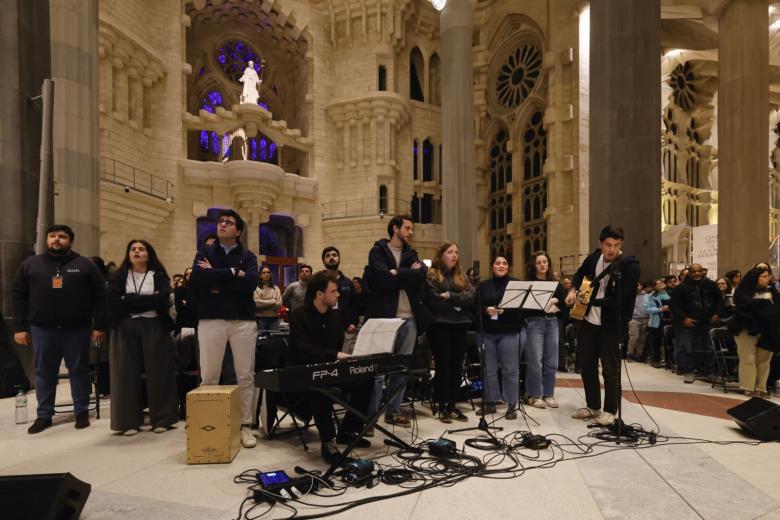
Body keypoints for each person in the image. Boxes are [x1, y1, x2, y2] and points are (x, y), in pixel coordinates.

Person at [11, 224, 106, 434]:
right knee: (44, 372)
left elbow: (101, 296)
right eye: (52, 236)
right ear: (46, 240)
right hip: (42, 329)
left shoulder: (85, 265)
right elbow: (18, 295)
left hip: (77, 329)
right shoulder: (30, 265)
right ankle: (44, 415)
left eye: (62, 237)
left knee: (79, 370)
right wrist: (19, 327)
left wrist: (100, 325)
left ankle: (81, 412)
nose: (56, 240)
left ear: (70, 241)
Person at [190, 209, 259, 448]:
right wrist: (232, 273)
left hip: (243, 320)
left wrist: (216, 278)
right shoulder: (205, 251)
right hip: (211, 319)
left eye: (229, 222)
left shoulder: (248, 256)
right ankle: (209, 424)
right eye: (220, 221)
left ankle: (246, 426)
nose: (223, 224)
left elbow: (250, 284)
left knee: (245, 375)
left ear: (238, 231)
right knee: (210, 374)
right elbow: (199, 279)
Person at [287, 271, 372, 464]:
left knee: (366, 379)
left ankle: (348, 430)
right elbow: (302, 350)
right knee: (321, 387)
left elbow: (336, 347)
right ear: (319, 294)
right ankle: (328, 442)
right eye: (333, 291)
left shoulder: (335, 316)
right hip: (301, 371)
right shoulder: (298, 315)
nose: (338, 295)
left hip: (329, 368)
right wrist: (333, 356)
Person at [566, 225, 640, 426]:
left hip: (612, 324)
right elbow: (580, 274)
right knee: (587, 365)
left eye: (616, 245)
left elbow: (619, 300)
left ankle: (610, 410)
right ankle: (593, 406)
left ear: (621, 244)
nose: (611, 250)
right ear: (601, 243)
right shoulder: (593, 258)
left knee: (610, 368)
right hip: (589, 321)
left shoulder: (629, 266)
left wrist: (589, 301)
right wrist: (573, 290)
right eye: (608, 245)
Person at [107, 240, 178, 435]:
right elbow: (113, 301)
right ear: (128, 254)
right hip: (125, 326)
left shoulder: (159, 275)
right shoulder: (119, 275)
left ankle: (162, 419)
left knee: (159, 372)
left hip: (154, 325)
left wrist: (128, 299)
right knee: (124, 373)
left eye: (141, 249)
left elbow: (162, 298)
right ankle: (127, 422)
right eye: (133, 249)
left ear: (149, 254)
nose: (137, 252)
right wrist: (147, 300)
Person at [364, 214, 428, 428]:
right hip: (385, 318)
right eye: (408, 228)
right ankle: (370, 417)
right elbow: (381, 280)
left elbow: (422, 277)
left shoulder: (411, 252)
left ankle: (393, 411)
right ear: (395, 228)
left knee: (401, 368)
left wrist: (398, 273)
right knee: (379, 371)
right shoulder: (377, 252)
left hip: (409, 318)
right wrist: (408, 274)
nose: (411, 232)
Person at [425, 241, 475, 423]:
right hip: (440, 325)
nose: (454, 255)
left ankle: (452, 405)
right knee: (443, 366)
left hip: (460, 324)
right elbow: (434, 300)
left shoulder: (461, 275)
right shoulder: (432, 274)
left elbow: (471, 296)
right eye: (450, 252)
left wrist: (452, 297)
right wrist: (457, 302)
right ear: (441, 254)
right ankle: (441, 406)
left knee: (456, 366)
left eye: (456, 252)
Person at [476, 255, 522, 418]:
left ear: (508, 266)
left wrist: (506, 311)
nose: (501, 266)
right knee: (489, 370)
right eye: (497, 263)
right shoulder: (483, 286)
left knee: (510, 370)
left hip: (509, 332)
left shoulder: (516, 285)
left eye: (504, 263)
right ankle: (490, 402)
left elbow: (521, 309)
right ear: (492, 266)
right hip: (487, 333)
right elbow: (476, 308)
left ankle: (511, 404)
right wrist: (485, 310)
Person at [523, 251, 567, 409]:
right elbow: (525, 308)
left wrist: (557, 301)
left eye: (545, 262)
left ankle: (548, 394)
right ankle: (534, 395)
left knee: (552, 361)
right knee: (535, 361)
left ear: (548, 264)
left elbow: (564, 306)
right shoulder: (529, 283)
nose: (542, 265)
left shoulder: (556, 284)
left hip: (552, 322)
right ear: (534, 266)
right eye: (539, 262)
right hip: (535, 323)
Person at [669, 263, 721, 384]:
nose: (697, 273)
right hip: (688, 322)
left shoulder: (711, 285)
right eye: (694, 271)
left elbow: (719, 301)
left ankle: (709, 372)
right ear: (689, 273)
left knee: (708, 348)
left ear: (703, 271)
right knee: (687, 348)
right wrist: (683, 318)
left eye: (699, 271)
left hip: (707, 322)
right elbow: (674, 306)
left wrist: (717, 313)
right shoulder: (680, 288)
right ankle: (688, 371)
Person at [732, 267, 778, 397]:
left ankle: (761, 387)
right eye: (764, 276)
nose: (767, 278)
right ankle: (748, 386)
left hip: (768, 329)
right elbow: (746, 304)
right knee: (749, 358)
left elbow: (776, 307)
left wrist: (765, 306)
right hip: (746, 328)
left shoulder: (772, 290)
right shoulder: (741, 290)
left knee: (764, 360)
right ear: (755, 278)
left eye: (768, 276)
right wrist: (765, 304)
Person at [322, 247, 359, 335]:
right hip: (324, 329)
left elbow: (354, 305)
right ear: (323, 261)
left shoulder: (348, 282)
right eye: (328, 256)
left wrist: (354, 323)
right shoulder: (319, 282)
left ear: (339, 259)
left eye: (334, 255)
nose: (331, 257)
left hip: (346, 330)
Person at [644, 278, 671, 368]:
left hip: (670, 321)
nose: (660, 284)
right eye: (657, 284)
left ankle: (669, 361)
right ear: (654, 286)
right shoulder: (650, 296)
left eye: (661, 282)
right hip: (656, 322)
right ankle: (655, 360)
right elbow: (647, 309)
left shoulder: (670, 293)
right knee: (656, 342)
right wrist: (660, 309)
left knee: (669, 342)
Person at [626, 282, 653, 362]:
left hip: (645, 319)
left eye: (638, 285)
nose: (637, 287)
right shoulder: (630, 296)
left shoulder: (647, 296)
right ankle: (629, 355)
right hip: (634, 319)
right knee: (634, 337)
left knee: (642, 338)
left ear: (641, 286)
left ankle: (639, 355)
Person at [254, 265, 282, 331]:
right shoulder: (256, 288)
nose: (266, 274)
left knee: (274, 340)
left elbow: (279, 304)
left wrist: (264, 304)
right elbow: (257, 304)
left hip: (274, 319)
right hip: (260, 319)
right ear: (260, 275)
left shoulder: (276, 288)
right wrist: (272, 301)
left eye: (268, 272)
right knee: (262, 340)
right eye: (264, 273)